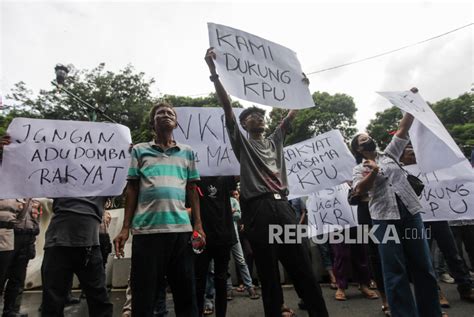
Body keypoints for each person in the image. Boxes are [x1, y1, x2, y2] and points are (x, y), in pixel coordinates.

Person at [205, 48, 328, 317]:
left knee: (302, 266)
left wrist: (301, 88)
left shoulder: (275, 141)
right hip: (257, 210)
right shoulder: (241, 144)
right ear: (243, 124)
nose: (258, 117)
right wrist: (214, 73)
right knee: (269, 271)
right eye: (251, 116)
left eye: (261, 115)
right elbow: (227, 108)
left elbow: (291, 115)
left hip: (284, 208)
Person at [351, 87, 443, 317]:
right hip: (385, 222)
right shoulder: (358, 169)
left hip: (410, 215)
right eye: (362, 141)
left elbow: (404, 127)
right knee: (395, 270)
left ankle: (431, 312)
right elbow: (359, 191)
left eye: (368, 137)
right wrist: (372, 172)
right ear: (358, 149)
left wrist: (408, 101)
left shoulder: (391, 154)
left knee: (423, 267)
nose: (367, 141)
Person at [114, 102, 203, 317]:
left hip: (180, 232)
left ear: (176, 122)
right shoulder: (139, 150)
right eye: (160, 113)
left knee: (186, 295)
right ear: (152, 123)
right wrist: (125, 228)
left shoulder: (187, 152)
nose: (165, 115)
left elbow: (192, 189)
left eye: (170, 113)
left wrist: (198, 225)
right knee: (143, 296)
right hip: (147, 232)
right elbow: (132, 188)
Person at [399, 144, 474, 304]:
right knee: (425, 257)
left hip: (439, 218)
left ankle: (465, 287)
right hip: (419, 220)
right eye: (410, 154)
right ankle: (436, 292)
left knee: (452, 253)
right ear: (402, 157)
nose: (414, 157)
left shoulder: (430, 169)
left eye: (415, 153)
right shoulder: (399, 174)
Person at [41, 196, 113, 317]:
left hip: (85, 243)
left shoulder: (102, 183)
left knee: (99, 300)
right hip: (60, 243)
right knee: (52, 302)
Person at [194, 176, 238, 317]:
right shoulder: (196, 177)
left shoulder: (225, 176)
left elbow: (236, 174)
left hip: (223, 235)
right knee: (199, 280)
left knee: (221, 279)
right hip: (202, 237)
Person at [226, 188, 260, 301]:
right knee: (225, 263)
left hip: (233, 235)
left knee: (241, 260)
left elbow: (238, 216)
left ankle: (249, 287)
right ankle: (228, 289)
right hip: (222, 236)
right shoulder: (219, 202)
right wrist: (229, 212)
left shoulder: (233, 201)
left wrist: (227, 213)